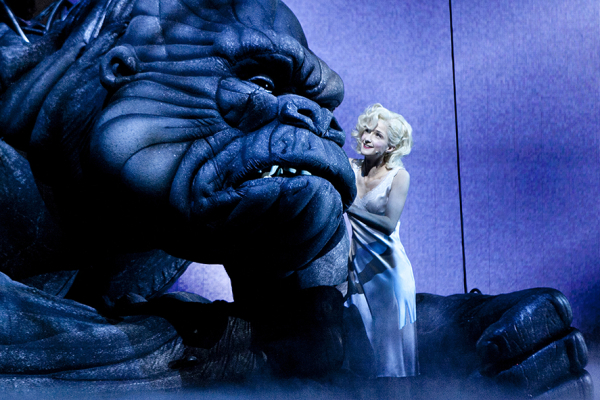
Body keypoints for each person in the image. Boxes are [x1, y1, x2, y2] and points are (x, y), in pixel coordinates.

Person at [344, 103, 418, 378]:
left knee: (392, 362)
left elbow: (388, 224)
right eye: (366, 130)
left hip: (389, 272)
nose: (367, 137)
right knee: (363, 353)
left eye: (377, 135)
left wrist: (349, 208)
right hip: (358, 271)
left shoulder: (399, 177)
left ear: (390, 146)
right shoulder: (349, 167)